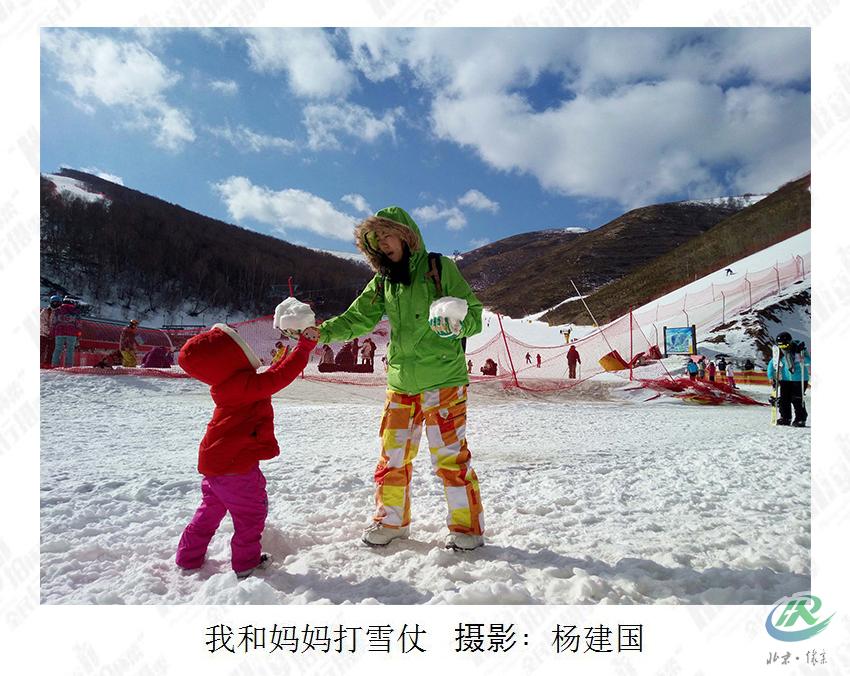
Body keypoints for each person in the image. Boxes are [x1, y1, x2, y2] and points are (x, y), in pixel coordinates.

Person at [315, 206, 485, 550]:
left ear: (405, 235)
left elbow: (475, 316)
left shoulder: (440, 267)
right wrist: (319, 332)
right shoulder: (384, 281)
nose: (382, 244)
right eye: (375, 240)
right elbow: (357, 318)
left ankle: (467, 530)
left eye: (386, 235)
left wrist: (457, 325)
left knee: (450, 459)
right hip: (400, 384)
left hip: (443, 381)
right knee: (392, 458)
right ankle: (391, 522)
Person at [175, 322, 319, 578]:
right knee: (251, 513)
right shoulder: (243, 385)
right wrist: (304, 348)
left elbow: (268, 378)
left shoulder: (230, 385)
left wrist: (284, 357)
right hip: (235, 466)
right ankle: (246, 563)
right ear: (228, 358)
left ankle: (188, 556)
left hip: (215, 462)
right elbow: (278, 379)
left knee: (210, 511)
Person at [767, 331, 811, 427]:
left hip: (799, 379)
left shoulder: (799, 350)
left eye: (785, 345)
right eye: (781, 346)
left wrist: (800, 355)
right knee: (784, 399)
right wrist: (771, 376)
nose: (783, 348)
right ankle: (785, 417)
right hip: (785, 379)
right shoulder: (779, 353)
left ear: (790, 342)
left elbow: (808, 362)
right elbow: (771, 364)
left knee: (797, 399)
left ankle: (800, 418)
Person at [51, 297, 80, 367]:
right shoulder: (76, 311)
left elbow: (54, 322)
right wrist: (78, 334)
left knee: (58, 349)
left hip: (59, 332)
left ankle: (54, 364)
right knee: (70, 350)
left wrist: (53, 332)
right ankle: (68, 366)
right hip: (72, 333)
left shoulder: (57, 311)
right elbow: (78, 324)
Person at [40, 294, 63, 366]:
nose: (56, 304)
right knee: (41, 349)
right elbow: (42, 323)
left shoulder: (60, 313)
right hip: (44, 334)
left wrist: (56, 333)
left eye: (58, 303)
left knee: (51, 350)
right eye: (54, 302)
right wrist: (48, 332)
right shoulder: (45, 311)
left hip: (54, 335)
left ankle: (48, 363)